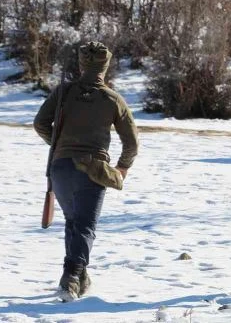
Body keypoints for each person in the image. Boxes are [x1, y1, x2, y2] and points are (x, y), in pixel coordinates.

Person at [34, 41, 139, 301]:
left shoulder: (63, 92)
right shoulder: (113, 99)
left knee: (74, 222)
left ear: (82, 64)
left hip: (59, 168)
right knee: (84, 226)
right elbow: (132, 143)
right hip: (92, 170)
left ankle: (80, 277)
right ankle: (70, 279)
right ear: (106, 65)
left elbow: (40, 123)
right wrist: (122, 168)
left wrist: (59, 146)